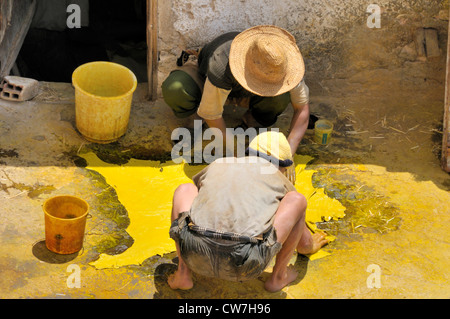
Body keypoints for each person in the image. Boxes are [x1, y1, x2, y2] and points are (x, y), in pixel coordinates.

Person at [168, 131, 328, 292]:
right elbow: (301, 238)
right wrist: (309, 245)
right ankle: (278, 277)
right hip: (245, 263)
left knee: (184, 188)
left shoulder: (220, 163)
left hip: (194, 253)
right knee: (296, 199)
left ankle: (183, 273)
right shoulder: (279, 178)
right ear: (283, 167)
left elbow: (199, 199)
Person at [162, 25, 314, 157]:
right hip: (207, 80)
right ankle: (195, 121)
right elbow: (212, 113)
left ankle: (252, 122)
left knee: (280, 98)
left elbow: (302, 108)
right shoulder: (222, 62)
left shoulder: (285, 65)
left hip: (244, 92)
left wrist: (288, 154)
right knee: (176, 89)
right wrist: (236, 152)